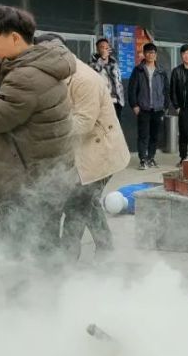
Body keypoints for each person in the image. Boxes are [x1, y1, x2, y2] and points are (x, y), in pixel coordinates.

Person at [0, 5, 75, 263]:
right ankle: (50, 296)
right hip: (47, 178)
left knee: (12, 254)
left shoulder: (25, 76)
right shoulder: (41, 64)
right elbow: (21, 103)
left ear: (15, 37)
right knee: (43, 248)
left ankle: (19, 299)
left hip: (28, 183)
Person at [36, 33, 130, 260]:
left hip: (100, 154)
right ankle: (106, 247)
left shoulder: (84, 79)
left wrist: (46, 130)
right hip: (81, 153)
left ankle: (67, 259)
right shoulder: (60, 75)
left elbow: (83, 124)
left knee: (76, 205)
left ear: (58, 53)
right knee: (87, 201)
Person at [128, 43, 169, 168]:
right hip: (143, 109)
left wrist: (165, 105)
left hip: (157, 109)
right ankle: (143, 159)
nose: (151, 55)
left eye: (153, 53)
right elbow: (132, 89)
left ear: (156, 55)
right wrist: (134, 105)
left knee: (154, 135)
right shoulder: (138, 70)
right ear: (144, 54)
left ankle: (151, 158)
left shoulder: (161, 71)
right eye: (149, 52)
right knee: (143, 135)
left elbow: (166, 90)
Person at [90, 38, 125, 118]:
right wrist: (102, 59)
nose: (105, 49)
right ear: (97, 49)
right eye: (102, 47)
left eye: (107, 47)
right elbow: (94, 73)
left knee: (116, 127)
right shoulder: (92, 63)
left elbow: (119, 81)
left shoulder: (114, 63)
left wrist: (121, 100)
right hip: (102, 102)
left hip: (117, 101)